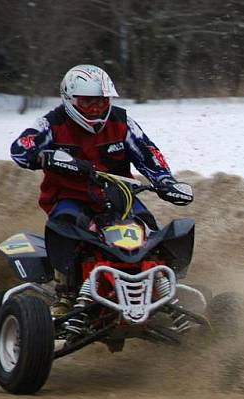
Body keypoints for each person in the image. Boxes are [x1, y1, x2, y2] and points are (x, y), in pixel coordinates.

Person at [10, 64, 193, 315]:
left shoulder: (122, 121)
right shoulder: (51, 124)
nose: (96, 108)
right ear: (70, 100)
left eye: (102, 102)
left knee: (149, 231)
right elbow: (20, 148)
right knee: (66, 228)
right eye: (88, 102)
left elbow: (148, 153)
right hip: (70, 198)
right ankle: (66, 295)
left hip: (121, 196)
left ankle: (161, 289)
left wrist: (165, 181)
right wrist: (44, 156)